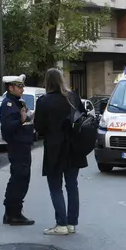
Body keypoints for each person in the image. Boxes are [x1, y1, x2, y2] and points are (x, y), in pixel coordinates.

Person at [34, 68, 88, 236]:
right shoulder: (73, 97)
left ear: (47, 82)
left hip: (54, 149)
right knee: (72, 185)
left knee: (55, 187)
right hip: (73, 147)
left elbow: (39, 128)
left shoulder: (44, 101)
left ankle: (61, 224)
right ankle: (72, 223)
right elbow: (83, 117)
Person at [0, 74, 36, 226]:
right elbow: (8, 127)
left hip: (23, 145)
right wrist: (21, 120)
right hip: (18, 146)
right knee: (19, 179)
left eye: (22, 86)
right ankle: (13, 213)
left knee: (21, 179)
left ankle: (11, 213)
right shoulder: (8, 104)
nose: (22, 89)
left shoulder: (17, 103)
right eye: (19, 86)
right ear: (11, 87)